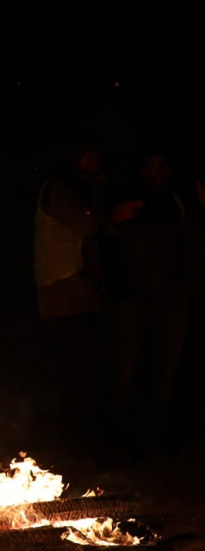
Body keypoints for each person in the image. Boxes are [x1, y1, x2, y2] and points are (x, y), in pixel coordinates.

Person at [106, 151, 199, 454]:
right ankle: (115, 444)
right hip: (134, 301)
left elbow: (190, 245)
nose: (167, 172)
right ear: (145, 168)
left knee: (165, 375)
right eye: (161, 166)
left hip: (171, 302)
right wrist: (113, 222)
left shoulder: (175, 201)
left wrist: (185, 288)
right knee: (126, 373)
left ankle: (151, 443)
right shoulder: (124, 200)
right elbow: (105, 244)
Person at [31, 144, 110, 462]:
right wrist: (104, 194)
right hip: (63, 294)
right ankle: (70, 450)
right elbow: (89, 225)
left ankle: (82, 446)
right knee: (78, 374)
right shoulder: (61, 189)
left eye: (96, 155)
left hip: (80, 295)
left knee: (88, 373)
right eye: (85, 154)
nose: (92, 160)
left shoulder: (78, 189)